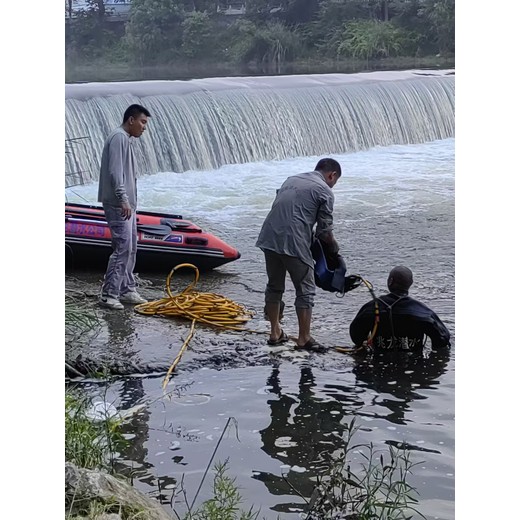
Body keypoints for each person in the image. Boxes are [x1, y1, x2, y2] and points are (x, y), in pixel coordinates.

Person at [256, 158, 342, 352]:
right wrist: (335, 250)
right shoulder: (324, 190)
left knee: (274, 285)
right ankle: (304, 338)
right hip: (293, 241)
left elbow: (288, 210)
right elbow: (324, 232)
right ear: (332, 175)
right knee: (305, 288)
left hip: (269, 237)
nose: (333, 185)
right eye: (335, 182)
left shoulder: (291, 180)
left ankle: (275, 332)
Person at [97, 104, 151, 310]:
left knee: (131, 247)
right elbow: (115, 172)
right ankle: (109, 293)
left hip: (127, 203)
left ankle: (127, 289)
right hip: (119, 204)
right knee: (122, 248)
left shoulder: (124, 139)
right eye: (142, 122)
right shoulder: (118, 137)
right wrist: (123, 199)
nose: (144, 127)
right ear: (131, 120)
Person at [349, 266, 451, 353]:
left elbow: (356, 336)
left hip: (379, 364)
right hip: (414, 367)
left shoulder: (371, 308)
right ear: (410, 283)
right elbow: (443, 339)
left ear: (390, 281)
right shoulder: (423, 312)